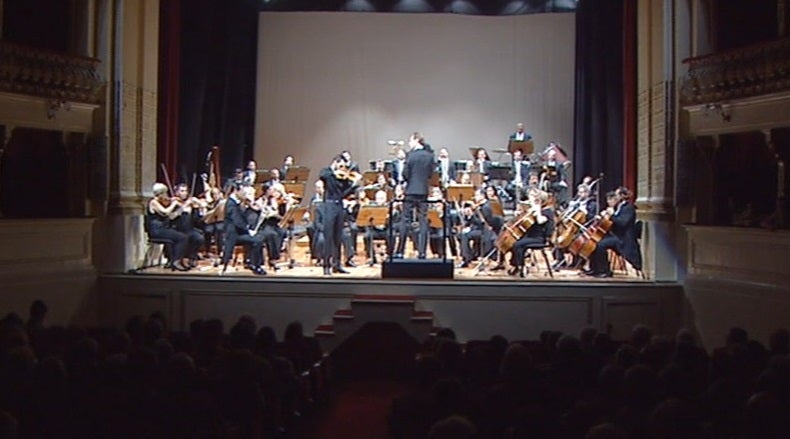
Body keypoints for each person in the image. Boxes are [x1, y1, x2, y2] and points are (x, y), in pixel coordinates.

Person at [395, 132, 435, 259]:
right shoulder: (429, 156)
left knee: (405, 221)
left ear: (416, 140)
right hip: (423, 191)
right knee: (423, 222)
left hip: (410, 191)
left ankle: (400, 251)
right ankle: (422, 252)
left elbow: (405, 174)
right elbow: (430, 174)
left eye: (410, 141)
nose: (409, 143)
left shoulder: (410, 155)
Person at [587, 188, 642, 278]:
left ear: (621, 196)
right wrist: (602, 218)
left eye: (616, 195)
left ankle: (604, 270)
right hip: (616, 235)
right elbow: (612, 223)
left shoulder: (629, 208)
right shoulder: (618, 207)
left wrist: (611, 215)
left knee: (601, 245)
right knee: (594, 241)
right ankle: (595, 268)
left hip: (623, 239)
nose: (615, 197)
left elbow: (622, 223)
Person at [320, 155, 359, 275]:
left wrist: (353, 184)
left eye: (344, 166)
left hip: (339, 206)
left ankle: (337, 264)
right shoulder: (327, 172)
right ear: (335, 163)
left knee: (338, 236)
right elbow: (323, 176)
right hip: (329, 205)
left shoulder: (343, 178)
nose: (343, 168)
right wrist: (335, 171)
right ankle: (326, 265)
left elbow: (344, 193)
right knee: (328, 237)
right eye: (340, 165)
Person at [508, 188, 554, 277]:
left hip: (539, 238)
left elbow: (541, 221)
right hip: (529, 236)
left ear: (539, 200)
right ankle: (516, 265)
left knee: (518, 245)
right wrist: (519, 214)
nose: (530, 199)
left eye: (532, 197)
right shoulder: (532, 210)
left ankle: (521, 267)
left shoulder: (547, 211)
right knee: (514, 242)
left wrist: (537, 210)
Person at [221, 185, 266, 275]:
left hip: (238, 232)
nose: (244, 194)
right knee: (258, 240)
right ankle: (256, 265)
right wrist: (248, 230)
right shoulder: (231, 203)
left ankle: (251, 261)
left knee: (259, 238)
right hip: (233, 235)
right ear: (236, 191)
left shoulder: (235, 202)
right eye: (243, 192)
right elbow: (236, 221)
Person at [147, 183, 191, 271]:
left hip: (163, 229)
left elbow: (171, 215)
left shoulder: (161, 201)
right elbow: (165, 212)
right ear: (161, 193)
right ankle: (176, 261)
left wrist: (181, 207)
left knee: (182, 236)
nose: (166, 196)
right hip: (157, 230)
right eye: (165, 193)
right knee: (182, 238)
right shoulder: (153, 202)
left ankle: (175, 260)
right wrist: (174, 204)